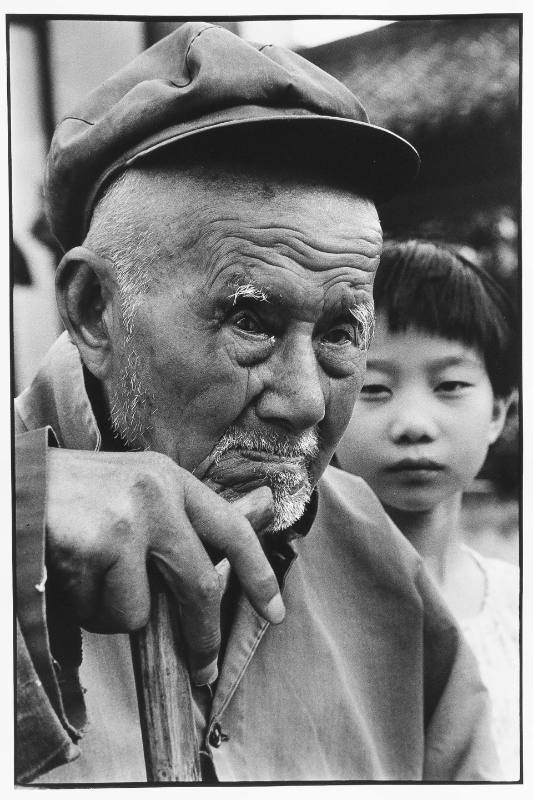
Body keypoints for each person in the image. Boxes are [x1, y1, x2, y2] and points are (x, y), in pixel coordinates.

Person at [15, 23, 499, 783]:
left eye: (341, 332)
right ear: (92, 311)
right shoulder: (19, 527)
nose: (307, 401)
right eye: (250, 321)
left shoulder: (374, 556)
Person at [335, 239, 520, 780]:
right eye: (373, 388)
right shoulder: (290, 612)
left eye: (451, 385)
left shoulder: (518, 612)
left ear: (499, 412)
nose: (414, 422)